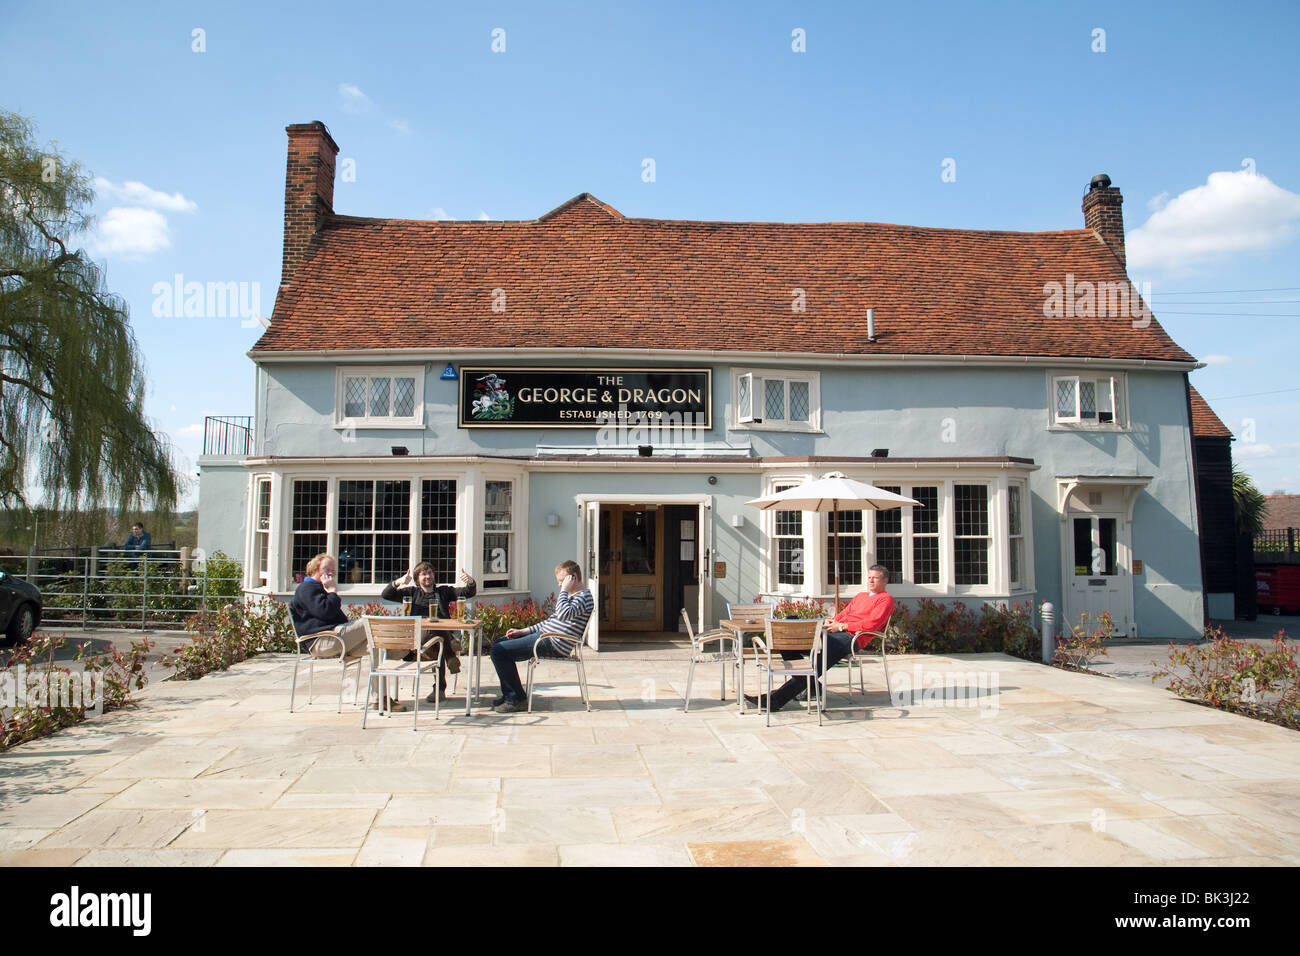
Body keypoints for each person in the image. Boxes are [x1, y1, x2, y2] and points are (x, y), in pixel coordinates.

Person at [747, 564, 895, 712]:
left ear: (885, 581)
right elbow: (844, 614)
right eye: (869, 577)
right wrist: (832, 621)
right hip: (835, 631)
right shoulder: (861, 596)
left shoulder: (885, 599)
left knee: (815, 663)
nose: (870, 581)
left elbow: (872, 623)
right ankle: (812, 686)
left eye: (874, 578)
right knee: (789, 644)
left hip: (851, 637)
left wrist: (842, 626)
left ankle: (775, 700)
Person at [290, 552, 404, 711]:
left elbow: (333, 616)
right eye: (325, 569)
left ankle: (381, 698)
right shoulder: (307, 588)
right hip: (322, 641)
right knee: (370, 622)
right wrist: (332, 591)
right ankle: (403, 647)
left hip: (337, 638)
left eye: (332, 570)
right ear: (314, 569)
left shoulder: (319, 588)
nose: (330, 573)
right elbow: (325, 612)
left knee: (377, 645)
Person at [489, 560, 592, 713]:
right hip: (546, 637)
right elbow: (550, 622)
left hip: (554, 644)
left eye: (562, 581)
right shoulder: (572, 597)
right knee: (500, 643)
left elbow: (563, 615)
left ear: (573, 578)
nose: (559, 585)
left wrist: (564, 590)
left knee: (499, 651)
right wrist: (523, 631)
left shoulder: (583, 597)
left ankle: (516, 699)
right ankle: (511, 694)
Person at [381, 564, 476, 702]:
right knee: (438, 634)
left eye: (430, 573)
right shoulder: (411, 593)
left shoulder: (443, 591)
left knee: (438, 643)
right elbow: (386, 594)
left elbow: (467, 593)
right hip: (418, 640)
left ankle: (439, 689)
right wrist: (399, 582)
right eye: (423, 574)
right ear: (417, 578)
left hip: (436, 641)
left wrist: (470, 582)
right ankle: (450, 655)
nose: (428, 576)